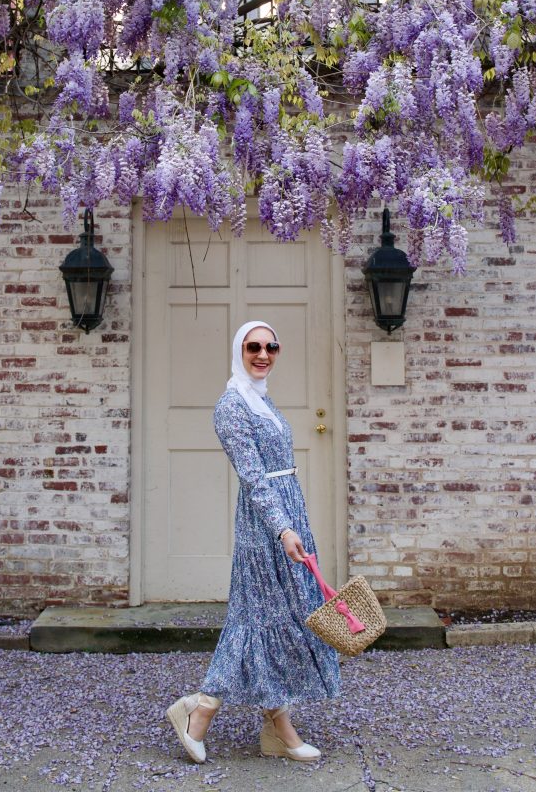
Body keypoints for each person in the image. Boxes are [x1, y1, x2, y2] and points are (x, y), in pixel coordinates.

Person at [166, 320, 340, 764]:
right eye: (253, 347)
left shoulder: (261, 401)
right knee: (257, 620)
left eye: (271, 347)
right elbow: (253, 476)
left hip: (287, 517)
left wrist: (294, 523)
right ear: (238, 351)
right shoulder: (231, 406)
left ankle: (276, 728)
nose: (263, 354)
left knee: (277, 619)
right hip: (264, 526)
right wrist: (283, 529)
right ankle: (200, 710)